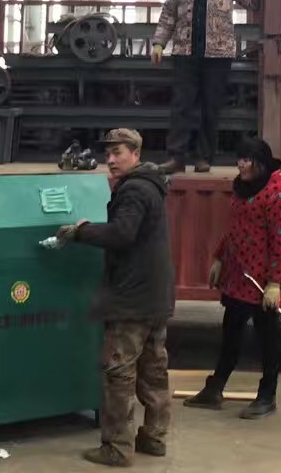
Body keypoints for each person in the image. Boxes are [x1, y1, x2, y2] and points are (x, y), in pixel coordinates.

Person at [57, 128, 175, 467]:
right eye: (108, 153)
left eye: (118, 153)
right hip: (155, 296)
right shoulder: (152, 186)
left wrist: (82, 231)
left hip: (132, 299)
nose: (110, 160)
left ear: (136, 154)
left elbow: (122, 233)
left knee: (118, 373)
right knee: (154, 371)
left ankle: (118, 448)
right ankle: (154, 438)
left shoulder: (134, 189)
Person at [183, 138, 281, 419]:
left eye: (247, 160)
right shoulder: (243, 188)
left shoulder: (280, 196)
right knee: (230, 335)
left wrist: (275, 283)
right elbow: (234, 227)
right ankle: (215, 389)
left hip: (262, 284)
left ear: (261, 162)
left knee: (268, 340)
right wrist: (220, 258)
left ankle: (267, 395)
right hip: (238, 276)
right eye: (240, 159)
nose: (241, 165)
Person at [151, 0, 257, 174]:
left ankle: (203, 157)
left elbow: (253, 1)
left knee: (211, 108)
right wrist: (159, 43)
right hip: (185, 54)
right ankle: (176, 157)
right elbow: (168, 14)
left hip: (218, 56)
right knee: (181, 106)